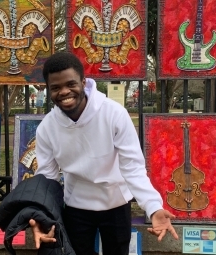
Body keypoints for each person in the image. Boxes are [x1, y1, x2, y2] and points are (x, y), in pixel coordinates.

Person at [29, 52, 178, 255]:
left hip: (116, 202)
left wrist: (153, 207)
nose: (64, 92)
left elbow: (132, 167)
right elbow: (47, 178)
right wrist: (42, 218)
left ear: (83, 81)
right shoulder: (47, 127)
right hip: (76, 205)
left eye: (70, 84)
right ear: (48, 90)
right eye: (55, 88)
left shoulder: (114, 114)